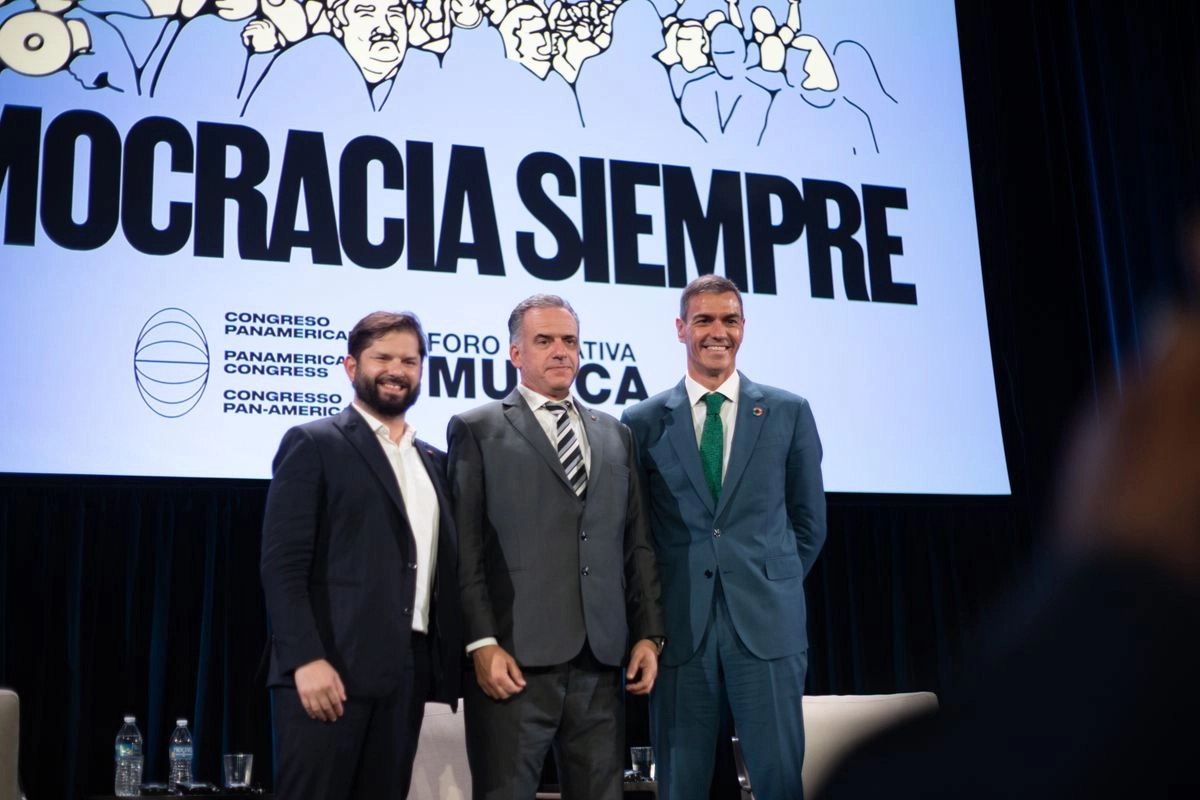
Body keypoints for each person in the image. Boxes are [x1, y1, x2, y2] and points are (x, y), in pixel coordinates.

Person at [448, 294, 665, 800]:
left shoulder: (615, 434)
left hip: (600, 661)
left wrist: (649, 634)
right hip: (514, 661)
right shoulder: (478, 429)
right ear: (516, 353)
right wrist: (481, 643)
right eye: (544, 340)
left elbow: (638, 544)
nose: (560, 351)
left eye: (569, 340)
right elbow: (467, 550)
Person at [621, 274, 827, 800]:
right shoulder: (642, 421)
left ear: (743, 328)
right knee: (680, 784)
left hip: (767, 622)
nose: (718, 331)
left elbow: (809, 522)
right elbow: (638, 531)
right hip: (680, 629)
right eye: (704, 320)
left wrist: (767, 578)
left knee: (779, 779)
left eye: (729, 320)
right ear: (680, 328)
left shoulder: (788, 411)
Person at [260, 311, 462, 800]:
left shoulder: (434, 461)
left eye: (410, 360)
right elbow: (282, 566)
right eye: (383, 357)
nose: (397, 369)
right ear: (351, 366)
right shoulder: (315, 443)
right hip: (329, 669)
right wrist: (305, 659)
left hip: (405, 674)